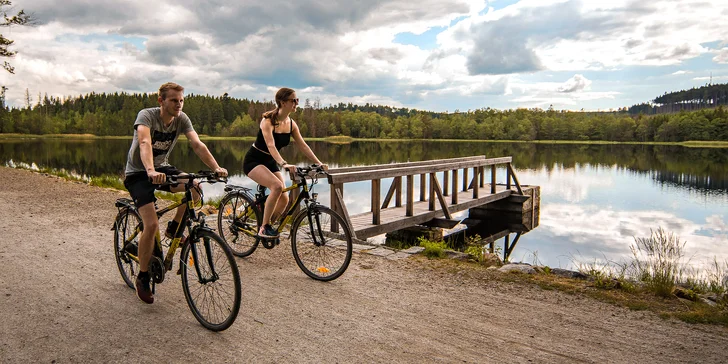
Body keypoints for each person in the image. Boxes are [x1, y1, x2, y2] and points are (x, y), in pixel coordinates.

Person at [123, 82, 228, 304]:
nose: (178, 104)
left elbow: (197, 144)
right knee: (150, 225)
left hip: (161, 168)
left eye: (181, 100)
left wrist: (216, 168)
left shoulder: (182, 119)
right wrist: (150, 170)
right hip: (139, 173)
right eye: (173, 100)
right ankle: (142, 277)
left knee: (195, 187)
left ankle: (174, 229)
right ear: (161, 101)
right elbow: (144, 142)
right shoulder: (147, 116)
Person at [243, 87, 327, 239]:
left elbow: (303, 145)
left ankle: (268, 225)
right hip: (254, 161)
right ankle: (264, 227)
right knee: (276, 187)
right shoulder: (267, 121)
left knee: (285, 197)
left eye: (297, 100)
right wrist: (284, 163)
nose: (296, 103)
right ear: (282, 102)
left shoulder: (291, 123)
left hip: (270, 161)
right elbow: (271, 145)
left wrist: (319, 163)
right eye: (293, 100)